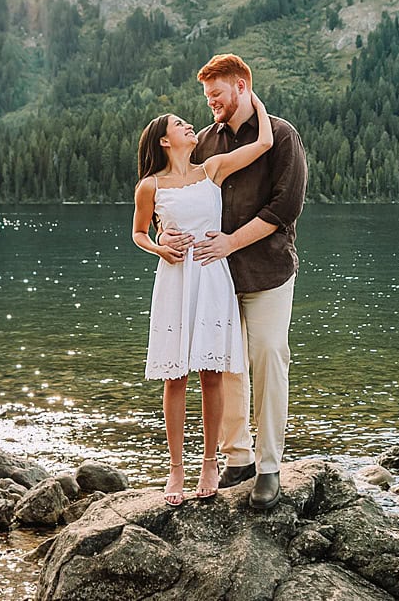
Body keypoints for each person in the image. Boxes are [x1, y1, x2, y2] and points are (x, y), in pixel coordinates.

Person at [165, 53, 306, 511]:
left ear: (242, 87)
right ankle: (238, 457)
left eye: (217, 95)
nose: (211, 104)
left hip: (267, 271)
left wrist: (229, 242)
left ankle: (268, 466)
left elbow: (284, 209)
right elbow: (176, 192)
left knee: (267, 356)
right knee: (223, 364)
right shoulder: (204, 142)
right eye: (207, 97)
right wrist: (164, 231)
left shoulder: (282, 136)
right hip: (215, 277)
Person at [131, 89, 275, 504]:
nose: (189, 125)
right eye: (180, 124)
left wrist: (254, 101)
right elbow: (139, 232)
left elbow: (263, 143)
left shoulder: (211, 169)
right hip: (176, 279)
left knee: (212, 375)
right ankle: (176, 469)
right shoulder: (150, 185)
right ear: (164, 140)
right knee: (175, 378)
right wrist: (160, 246)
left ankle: (210, 463)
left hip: (212, 277)